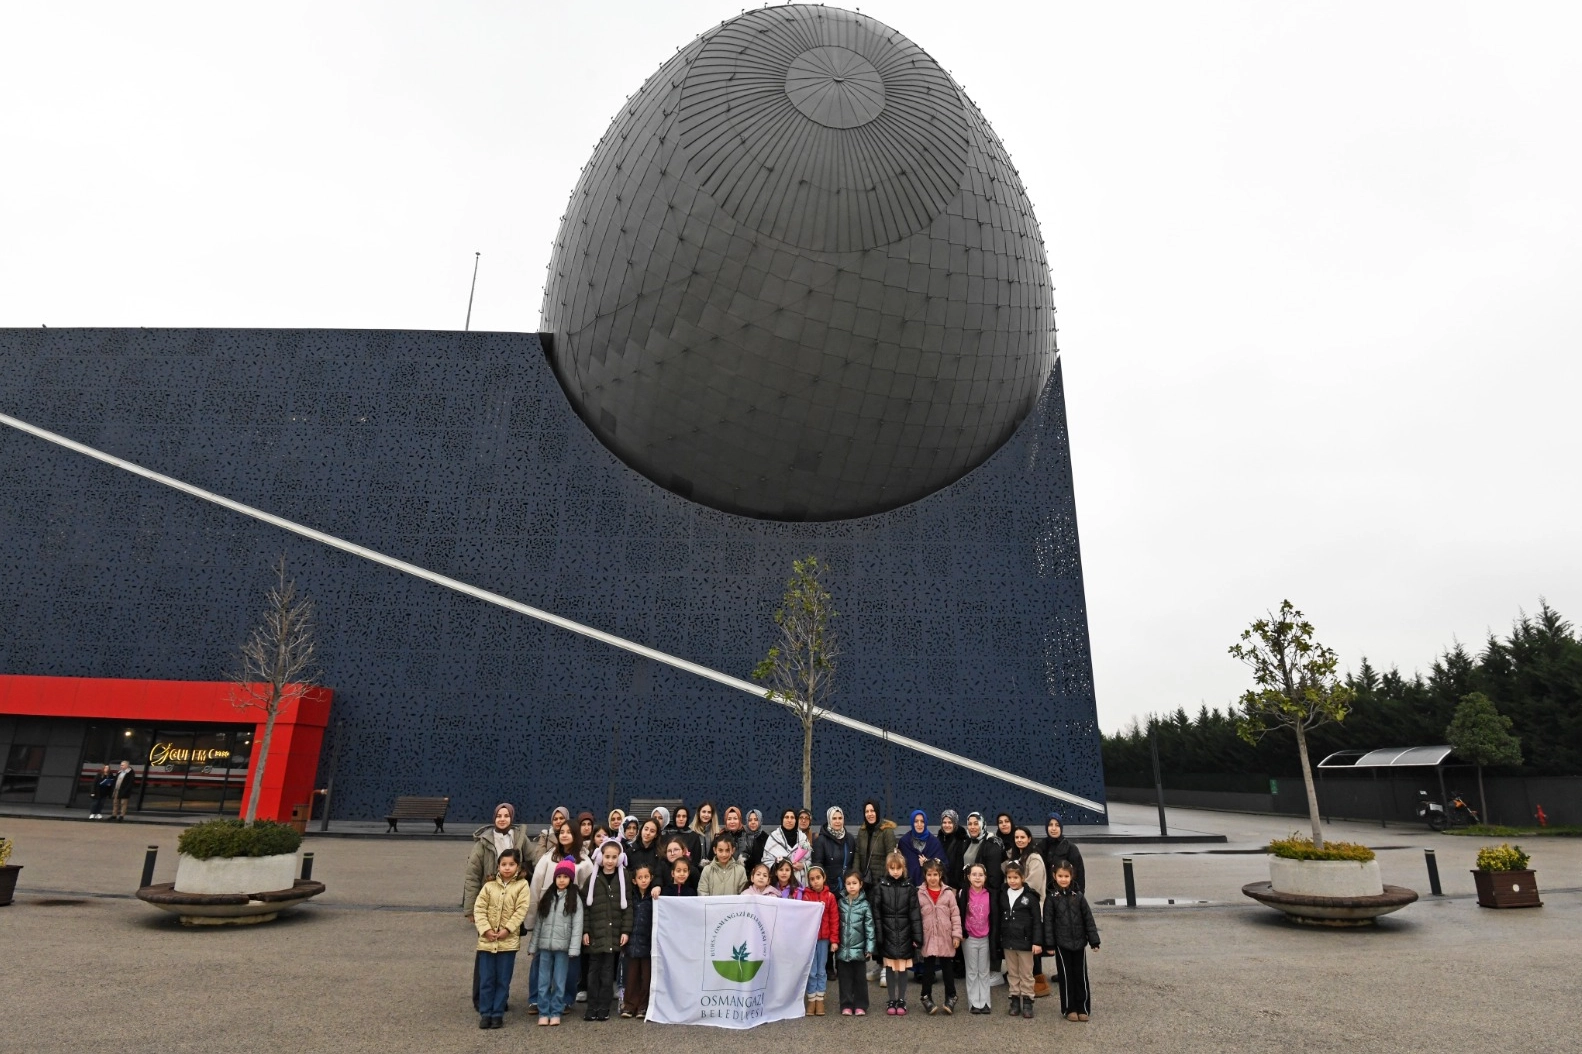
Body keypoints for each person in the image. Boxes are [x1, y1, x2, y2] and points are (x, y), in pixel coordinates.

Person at [472, 848, 531, 1029]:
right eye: (503, 864)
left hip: (508, 942)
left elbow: (521, 910)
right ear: (498, 866)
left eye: (511, 864)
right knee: (487, 979)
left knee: (502, 980)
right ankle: (485, 1013)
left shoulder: (522, 885)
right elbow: (479, 909)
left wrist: (508, 929)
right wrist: (485, 929)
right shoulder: (489, 886)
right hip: (487, 942)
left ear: (517, 866)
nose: (507, 868)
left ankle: (497, 1013)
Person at [529, 857, 584, 1026]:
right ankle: (543, 1011)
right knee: (543, 981)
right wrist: (533, 946)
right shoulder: (548, 897)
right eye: (559, 876)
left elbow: (577, 925)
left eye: (565, 877)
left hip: (563, 948)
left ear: (571, 879)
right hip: (545, 946)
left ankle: (556, 1011)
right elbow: (539, 923)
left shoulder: (574, 899)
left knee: (559, 981)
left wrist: (574, 948)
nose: (561, 880)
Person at [582, 838, 632, 1022]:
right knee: (593, 972)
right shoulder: (592, 879)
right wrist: (585, 930)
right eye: (607, 856)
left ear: (620, 858)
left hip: (613, 935)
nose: (610, 860)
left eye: (614, 857)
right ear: (600, 857)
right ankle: (592, 1006)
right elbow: (586, 908)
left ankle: (604, 1007)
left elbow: (628, 906)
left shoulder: (624, 878)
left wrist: (625, 931)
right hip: (596, 934)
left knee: (607, 973)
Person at [1043, 861, 1100, 1023]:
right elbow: (1048, 923)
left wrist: (1094, 940)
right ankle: (1069, 1008)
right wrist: (1049, 945)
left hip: (1079, 942)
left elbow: (1088, 919)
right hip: (1062, 944)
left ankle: (1083, 1008)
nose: (1063, 879)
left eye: (1066, 876)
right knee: (1066, 977)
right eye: (1060, 876)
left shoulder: (1079, 896)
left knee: (1081, 976)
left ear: (1071, 876)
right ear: (1054, 876)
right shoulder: (1051, 898)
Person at [463, 803, 539, 919]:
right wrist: (470, 909)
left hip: (514, 897)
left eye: (506, 816)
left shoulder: (520, 838)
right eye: (499, 816)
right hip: (491, 897)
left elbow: (534, 861)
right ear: (494, 818)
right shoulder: (484, 842)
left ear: (511, 818)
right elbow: (472, 876)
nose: (502, 819)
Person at [874, 851, 923, 1015]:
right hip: (887, 934)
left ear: (904, 869)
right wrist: (879, 935)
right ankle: (891, 999)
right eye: (892, 868)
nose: (895, 871)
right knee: (889, 967)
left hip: (905, 934)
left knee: (902, 968)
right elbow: (877, 914)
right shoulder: (880, 887)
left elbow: (915, 914)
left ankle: (901, 999)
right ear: (887, 868)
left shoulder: (909, 888)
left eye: (898, 868)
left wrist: (917, 937)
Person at [996, 860, 1043, 1019]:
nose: (1012, 881)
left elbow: (1037, 921)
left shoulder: (1030, 897)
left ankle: (1028, 1001)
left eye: (1016, 877)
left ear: (1023, 877)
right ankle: (1014, 999)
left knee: (1026, 973)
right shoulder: (1003, 894)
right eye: (1009, 877)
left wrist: (1037, 942)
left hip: (1025, 942)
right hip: (1008, 941)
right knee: (1012, 973)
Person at [1007, 826, 1050, 998]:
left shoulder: (1035, 858)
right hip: (1018, 908)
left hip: (1031, 907)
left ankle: (1039, 982)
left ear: (1029, 838)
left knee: (1033, 946)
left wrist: (1015, 891)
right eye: (1016, 837)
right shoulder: (1015, 856)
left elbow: (1034, 883)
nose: (1019, 840)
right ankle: (1024, 980)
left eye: (1022, 837)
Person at [916, 859, 961, 1015]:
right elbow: (916, 917)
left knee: (947, 968)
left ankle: (951, 996)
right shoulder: (920, 893)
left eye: (935, 874)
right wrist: (916, 936)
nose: (932, 878)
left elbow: (955, 915)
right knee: (928, 969)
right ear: (925, 875)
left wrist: (956, 935)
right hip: (928, 935)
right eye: (929, 875)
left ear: (940, 874)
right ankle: (925, 996)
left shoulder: (948, 893)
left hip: (945, 936)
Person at [798, 864, 840, 1015]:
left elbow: (834, 919)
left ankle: (820, 999)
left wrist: (834, 940)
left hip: (824, 939)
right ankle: (811, 999)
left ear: (824, 878)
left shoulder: (830, 897)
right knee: (812, 970)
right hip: (810, 940)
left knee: (821, 970)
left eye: (818, 878)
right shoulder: (805, 896)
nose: (815, 881)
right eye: (812, 879)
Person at [957, 861, 998, 1014]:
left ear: (985, 877)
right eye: (974, 874)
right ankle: (974, 1002)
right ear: (968, 877)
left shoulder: (990, 894)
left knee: (984, 971)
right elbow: (960, 914)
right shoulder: (964, 893)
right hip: (970, 938)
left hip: (985, 937)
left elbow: (993, 917)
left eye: (980, 875)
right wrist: (961, 932)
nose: (977, 877)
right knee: (972, 971)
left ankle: (985, 1002)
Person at [835, 871, 876, 1016]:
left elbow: (870, 928)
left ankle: (861, 1005)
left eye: (854, 883)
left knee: (860, 980)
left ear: (860, 884)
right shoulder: (840, 903)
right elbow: (836, 924)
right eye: (848, 883)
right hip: (843, 949)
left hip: (859, 950)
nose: (851, 886)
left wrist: (869, 947)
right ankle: (846, 1004)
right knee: (844, 979)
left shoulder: (865, 905)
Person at [621, 864, 656, 1018]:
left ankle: (643, 1006)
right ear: (634, 880)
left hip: (648, 943)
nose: (643, 880)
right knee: (631, 976)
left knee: (646, 977)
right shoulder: (631, 896)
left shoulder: (654, 897)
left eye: (646, 877)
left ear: (651, 878)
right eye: (640, 877)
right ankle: (629, 1005)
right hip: (632, 942)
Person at [855, 800, 897, 895]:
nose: (870, 814)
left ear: (877, 812)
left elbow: (891, 857)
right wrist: (856, 876)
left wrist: (886, 878)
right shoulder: (862, 831)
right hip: (865, 882)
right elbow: (857, 854)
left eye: (872, 811)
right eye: (867, 811)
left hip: (881, 882)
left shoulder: (886, 831)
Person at [763, 808, 812, 886]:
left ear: (796, 820)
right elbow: (766, 861)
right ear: (782, 820)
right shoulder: (773, 837)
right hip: (779, 883)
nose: (789, 820)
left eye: (792, 818)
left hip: (799, 882)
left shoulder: (803, 837)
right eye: (786, 817)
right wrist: (779, 866)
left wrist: (803, 865)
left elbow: (810, 860)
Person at [1040, 814, 1085, 894]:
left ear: (1061, 827)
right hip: (1045, 894)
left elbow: (1079, 875)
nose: (1054, 828)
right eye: (1050, 825)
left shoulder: (1070, 848)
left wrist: (1078, 895)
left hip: (1066, 894)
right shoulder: (1041, 846)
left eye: (1057, 825)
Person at [897, 810, 944, 886]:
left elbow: (943, 865)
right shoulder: (904, 842)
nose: (919, 824)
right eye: (916, 821)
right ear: (912, 823)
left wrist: (928, 862)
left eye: (922, 821)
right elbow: (899, 865)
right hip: (908, 887)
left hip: (930, 887)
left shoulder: (934, 843)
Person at [812, 806, 855, 885]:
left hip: (848, 886)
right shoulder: (821, 841)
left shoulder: (850, 839)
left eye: (840, 818)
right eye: (834, 818)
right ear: (829, 820)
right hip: (828, 887)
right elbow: (817, 866)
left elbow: (853, 863)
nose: (837, 821)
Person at [938, 810, 968, 888]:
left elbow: (959, 867)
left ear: (955, 823)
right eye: (944, 822)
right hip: (939, 883)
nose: (947, 825)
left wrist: (955, 887)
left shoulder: (961, 840)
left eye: (950, 822)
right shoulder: (939, 839)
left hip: (955, 886)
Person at [741, 809, 769, 874]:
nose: (753, 822)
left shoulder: (766, 838)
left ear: (760, 821)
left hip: (760, 874)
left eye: (756, 820)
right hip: (743, 874)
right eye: (750, 820)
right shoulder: (742, 836)